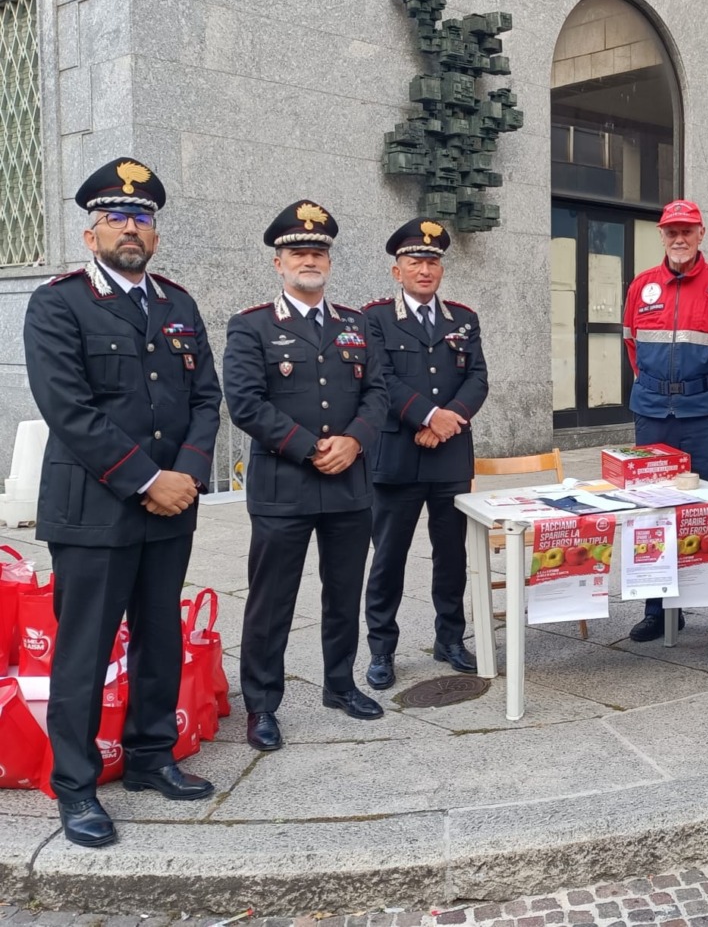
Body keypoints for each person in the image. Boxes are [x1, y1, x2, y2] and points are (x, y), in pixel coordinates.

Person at [23, 157, 222, 847]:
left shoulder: (178, 304)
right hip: (96, 507)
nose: (130, 227)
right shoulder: (58, 302)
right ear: (91, 234)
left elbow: (205, 398)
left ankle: (148, 755)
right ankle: (74, 786)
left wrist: (189, 473)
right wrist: (148, 478)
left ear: (156, 235)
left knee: (161, 636)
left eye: (142, 218)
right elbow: (69, 409)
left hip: (173, 505)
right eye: (116, 217)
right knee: (85, 649)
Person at [223, 200, 389, 751]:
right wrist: (309, 446)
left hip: (348, 483)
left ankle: (339, 685)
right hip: (283, 487)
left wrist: (355, 440)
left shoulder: (356, 324)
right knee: (273, 602)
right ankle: (262, 706)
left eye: (317, 251)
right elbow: (244, 403)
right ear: (279, 263)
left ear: (329, 261)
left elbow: (378, 393)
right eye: (298, 252)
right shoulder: (251, 327)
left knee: (343, 593)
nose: (308, 260)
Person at [362, 219, 488, 684]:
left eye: (432, 262)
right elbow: (379, 380)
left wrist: (446, 418)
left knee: (451, 555)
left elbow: (477, 379)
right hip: (396, 457)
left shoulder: (463, 319)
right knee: (388, 557)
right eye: (415, 262)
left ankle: (450, 637)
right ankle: (382, 649)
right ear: (397, 271)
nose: (424, 270)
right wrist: (426, 416)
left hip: (449, 455)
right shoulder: (373, 318)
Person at [621, 199, 708, 641]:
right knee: (651, 513)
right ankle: (658, 611)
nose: (679, 239)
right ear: (662, 234)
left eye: (687, 231)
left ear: (701, 233)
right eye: (671, 231)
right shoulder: (641, 286)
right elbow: (633, 346)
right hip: (653, 412)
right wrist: (658, 390)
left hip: (706, 413)